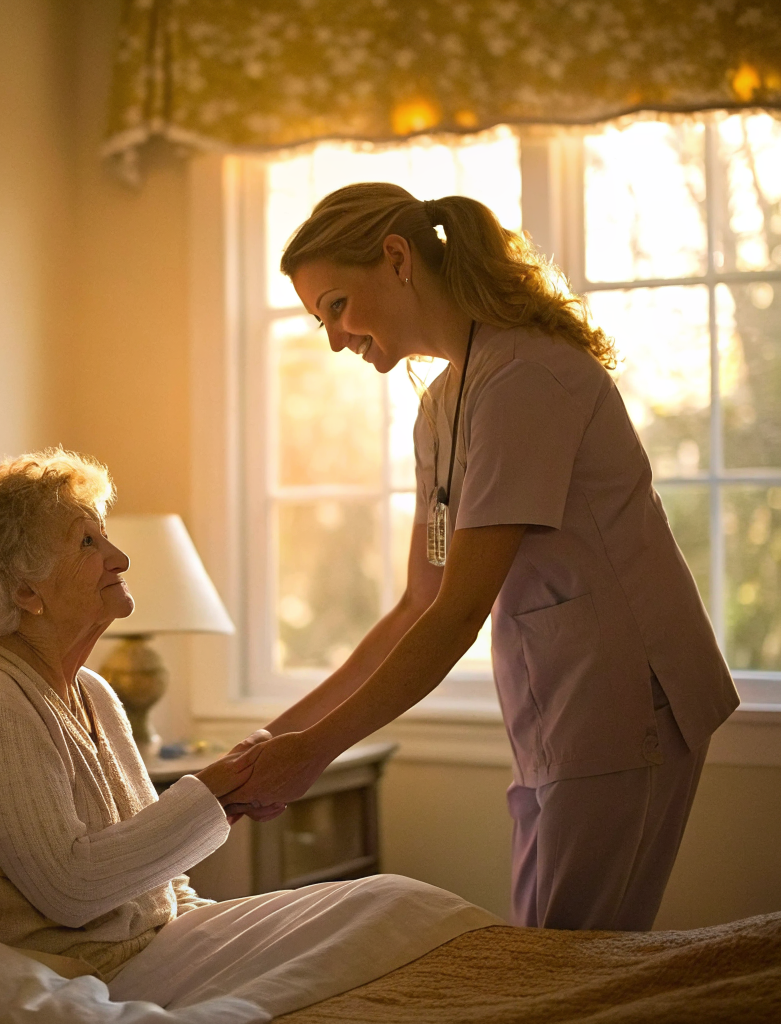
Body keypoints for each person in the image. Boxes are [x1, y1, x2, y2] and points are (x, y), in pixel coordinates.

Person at [218, 184, 739, 932]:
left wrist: (314, 755)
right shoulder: (442, 404)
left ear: (395, 258)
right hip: (558, 706)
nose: (332, 338)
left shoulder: (525, 376)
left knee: (566, 968)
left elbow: (459, 612)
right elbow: (417, 605)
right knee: (543, 953)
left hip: (629, 700)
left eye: (335, 306)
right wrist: (271, 744)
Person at [0, 448, 499, 1017]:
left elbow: (156, 881)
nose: (119, 557)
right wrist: (213, 796)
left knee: (393, 902)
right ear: (25, 590)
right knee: (387, 906)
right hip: (85, 974)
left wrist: (226, 917)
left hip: (158, 948)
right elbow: (71, 888)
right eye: (88, 542)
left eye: (104, 535)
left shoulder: (95, 694)